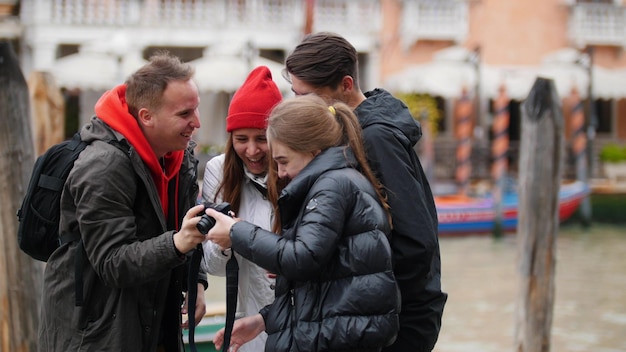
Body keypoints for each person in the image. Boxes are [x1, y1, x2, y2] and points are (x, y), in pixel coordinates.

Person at [283, 31, 448, 352]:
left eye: (309, 97)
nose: (300, 106)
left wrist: (368, 301)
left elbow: (416, 241)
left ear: (346, 85)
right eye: (295, 94)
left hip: (397, 317)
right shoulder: (352, 131)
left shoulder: (375, 139)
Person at [38, 52, 210, 352]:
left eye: (196, 110)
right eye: (185, 114)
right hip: (95, 332)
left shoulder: (179, 158)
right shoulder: (103, 167)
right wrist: (177, 244)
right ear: (146, 116)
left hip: (152, 319)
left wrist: (196, 281)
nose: (197, 122)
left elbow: (184, 230)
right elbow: (112, 262)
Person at [204, 95, 400, 352]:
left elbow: (303, 258)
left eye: (283, 161)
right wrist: (265, 319)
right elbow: (325, 282)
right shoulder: (340, 180)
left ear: (313, 152)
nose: (281, 173)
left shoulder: (331, 186)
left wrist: (235, 231)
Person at [200, 65, 282, 352]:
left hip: (297, 320)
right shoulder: (218, 171)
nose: (251, 150)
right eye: (241, 139)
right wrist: (226, 244)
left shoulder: (297, 172)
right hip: (248, 322)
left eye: (261, 138)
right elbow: (212, 266)